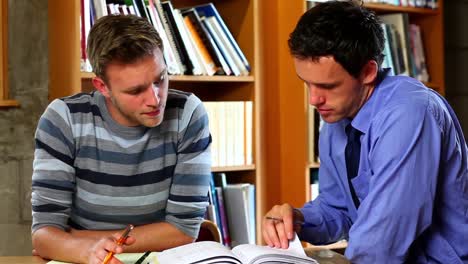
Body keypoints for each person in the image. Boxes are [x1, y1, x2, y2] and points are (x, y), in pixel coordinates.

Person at [262, 1, 468, 263]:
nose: (314, 100)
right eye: (308, 84)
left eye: (328, 86)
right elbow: (339, 210)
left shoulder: (410, 112)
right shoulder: (336, 121)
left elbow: (384, 237)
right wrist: (299, 219)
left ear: (368, 71)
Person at [31, 14, 212, 264]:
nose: (155, 99)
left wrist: (74, 239)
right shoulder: (63, 119)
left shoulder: (188, 114)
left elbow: (182, 231)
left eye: (160, 79)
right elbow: (44, 236)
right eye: (136, 90)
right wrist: (84, 251)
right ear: (102, 86)